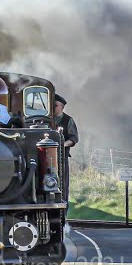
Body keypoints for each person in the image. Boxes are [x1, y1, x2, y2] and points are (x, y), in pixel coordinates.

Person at [54, 93, 78, 234]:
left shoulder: (68, 120)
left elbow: (74, 138)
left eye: (55, 105)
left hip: (61, 158)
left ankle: (63, 219)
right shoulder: (46, 119)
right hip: (45, 158)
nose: (53, 107)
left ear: (61, 107)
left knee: (63, 186)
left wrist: (62, 144)